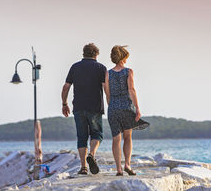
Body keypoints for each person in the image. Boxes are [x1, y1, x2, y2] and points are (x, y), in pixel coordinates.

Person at [103, 45, 149, 176]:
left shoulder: (107, 73)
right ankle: (127, 165)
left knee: (116, 138)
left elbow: (107, 93)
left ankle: (118, 169)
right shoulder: (128, 71)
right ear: (123, 57)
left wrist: (111, 105)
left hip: (113, 107)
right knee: (128, 137)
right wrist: (138, 108)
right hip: (127, 107)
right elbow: (131, 90)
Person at [61, 43, 106, 175]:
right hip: (95, 107)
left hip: (79, 107)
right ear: (96, 54)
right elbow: (106, 88)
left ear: (83, 53)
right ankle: (92, 154)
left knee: (81, 137)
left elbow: (65, 87)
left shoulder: (75, 67)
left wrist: (64, 104)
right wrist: (110, 102)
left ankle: (83, 167)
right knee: (97, 134)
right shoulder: (100, 68)